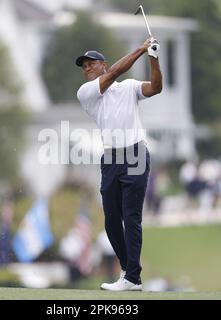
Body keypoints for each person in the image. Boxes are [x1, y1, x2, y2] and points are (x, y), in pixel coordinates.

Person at [75, 37, 163, 291]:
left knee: (131, 217)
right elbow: (116, 72)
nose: (87, 69)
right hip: (111, 157)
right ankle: (129, 272)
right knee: (112, 219)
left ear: (103, 64)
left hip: (135, 153)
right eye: (84, 67)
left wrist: (153, 59)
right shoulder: (86, 93)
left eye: (91, 64)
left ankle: (132, 278)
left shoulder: (129, 87)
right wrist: (140, 48)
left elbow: (155, 88)